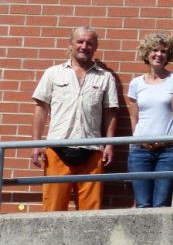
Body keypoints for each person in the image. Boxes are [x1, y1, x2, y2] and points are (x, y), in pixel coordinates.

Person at [30, 26, 119, 211]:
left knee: (90, 212)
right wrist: (36, 143)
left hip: (92, 151)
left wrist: (109, 144)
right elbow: (41, 109)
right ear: (70, 44)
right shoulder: (53, 73)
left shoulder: (106, 77)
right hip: (57, 149)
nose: (84, 46)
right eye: (80, 41)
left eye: (89, 43)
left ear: (95, 47)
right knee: (53, 208)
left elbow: (110, 112)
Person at [126, 33, 173, 208]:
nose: (159, 54)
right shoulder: (136, 84)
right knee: (142, 204)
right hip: (140, 150)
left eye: (164, 51)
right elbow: (134, 117)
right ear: (146, 54)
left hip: (168, 150)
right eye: (154, 50)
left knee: (161, 204)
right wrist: (134, 141)